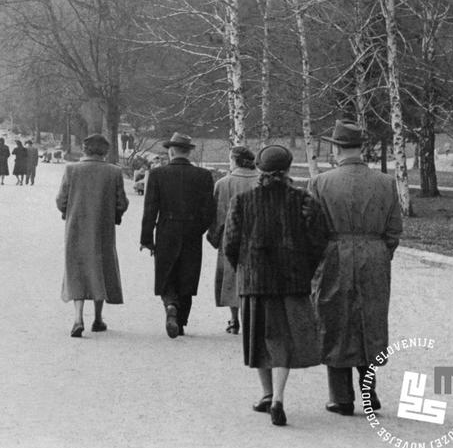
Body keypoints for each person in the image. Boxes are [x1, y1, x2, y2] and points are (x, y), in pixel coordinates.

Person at [223, 145, 328, 426]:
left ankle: (267, 394)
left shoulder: (243, 200)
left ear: (259, 169)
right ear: (288, 168)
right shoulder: (303, 199)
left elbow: (230, 243)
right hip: (292, 281)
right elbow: (318, 239)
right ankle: (279, 398)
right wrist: (306, 269)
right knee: (283, 339)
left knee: (258, 339)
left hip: (255, 281)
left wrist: (242, 268)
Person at [308, 120, 403, 417]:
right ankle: (368, 390)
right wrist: (380, 252)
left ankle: (341, 397)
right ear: (361, 148)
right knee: (370, 320)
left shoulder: (320, 183)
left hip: (334, 252)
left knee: (333, 319)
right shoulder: (386, 182)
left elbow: (311, 230)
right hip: (373, 255)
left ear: (336, 148)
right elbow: (394, 230)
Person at [139, 132, 215, 338]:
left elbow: (150, 209)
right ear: (188, 152)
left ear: (171, 151)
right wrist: (197, 229)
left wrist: (146, 238)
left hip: (167, 229)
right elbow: (209, 211)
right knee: (188, 274)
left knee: (167, 272)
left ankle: (170, 304)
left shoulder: (157, 175)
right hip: (192, 231)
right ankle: (181, 321)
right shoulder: (204, 176)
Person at [56, 134, 129, 337]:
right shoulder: (114, 172)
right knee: (100, 267)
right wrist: (115, 215)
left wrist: (67, 212)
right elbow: (121, 202)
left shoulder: (71, 170)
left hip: (76, 227)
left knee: (76, 269)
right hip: (102, 228)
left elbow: (61, 199)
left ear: (84, 149)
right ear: (105, 151)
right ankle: (97, 318)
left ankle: (78, 318)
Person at [206, 145, 259, 335]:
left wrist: (214, 236)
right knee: (255, 279)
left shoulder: (223, 183)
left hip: (231, 238)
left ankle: (234, 320)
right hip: (258, 239)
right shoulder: (262, 180)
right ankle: (252, 319)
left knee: (231, 278)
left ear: (235, 160)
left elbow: (219, 215)